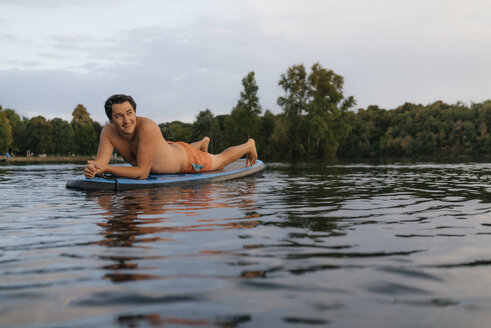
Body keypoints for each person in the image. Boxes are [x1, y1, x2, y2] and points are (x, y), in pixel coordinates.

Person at [84, 94, 258, 180]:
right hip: (165, 149)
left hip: (187, 160)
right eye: (119, 116)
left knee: (220, 161)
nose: (127, 120)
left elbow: (142, 173)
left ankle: (249, 145)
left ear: (135, 112)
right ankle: (202, 142)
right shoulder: (108, 132)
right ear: (110, 120)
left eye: (130, 113)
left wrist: (105, 169)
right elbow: (100, 165)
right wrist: (94, 169)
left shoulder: (147, 128)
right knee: (174, 148)